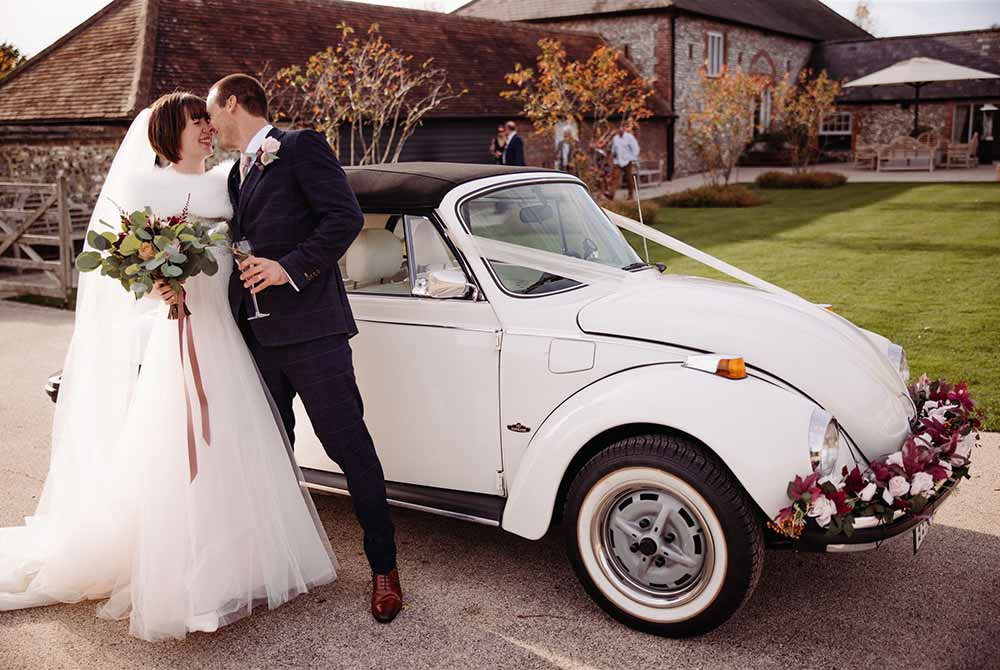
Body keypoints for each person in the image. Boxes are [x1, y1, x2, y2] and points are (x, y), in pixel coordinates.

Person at [0, 93, 337, 641]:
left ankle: (241, 560)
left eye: (208, 119)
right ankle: (183, 571)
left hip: (227, 331)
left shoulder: (230, 179)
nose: (207, 128)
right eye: (195, 122)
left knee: (233, 442)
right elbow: (123, 263)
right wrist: (155, 284)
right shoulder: (145, 186)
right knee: (177, 446)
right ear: (168, 134)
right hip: (178, 330)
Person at [203, 74, 402, 623]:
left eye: (211, 111)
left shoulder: (298, 147)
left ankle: (383, 567)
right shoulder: (236, 174)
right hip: (256, 336)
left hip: (314, 333)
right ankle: (277, 565)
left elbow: (346, 218)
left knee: (348, 447)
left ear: (234, 104)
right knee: (269, 454)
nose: (208, 123)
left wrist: (288, 268)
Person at [610, 125, 641, 199]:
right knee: (615, 177)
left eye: (621, 129)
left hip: (627, 161)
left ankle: (630, 195)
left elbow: (635, 148)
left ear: (624, 129)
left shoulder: (629, 137)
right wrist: (613, 153)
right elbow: (614, 148)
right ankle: (611, 194)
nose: (620, 131)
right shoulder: (615, 138)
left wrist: (633, 158)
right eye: (619, 130)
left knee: (628, 178)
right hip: (618, 161)